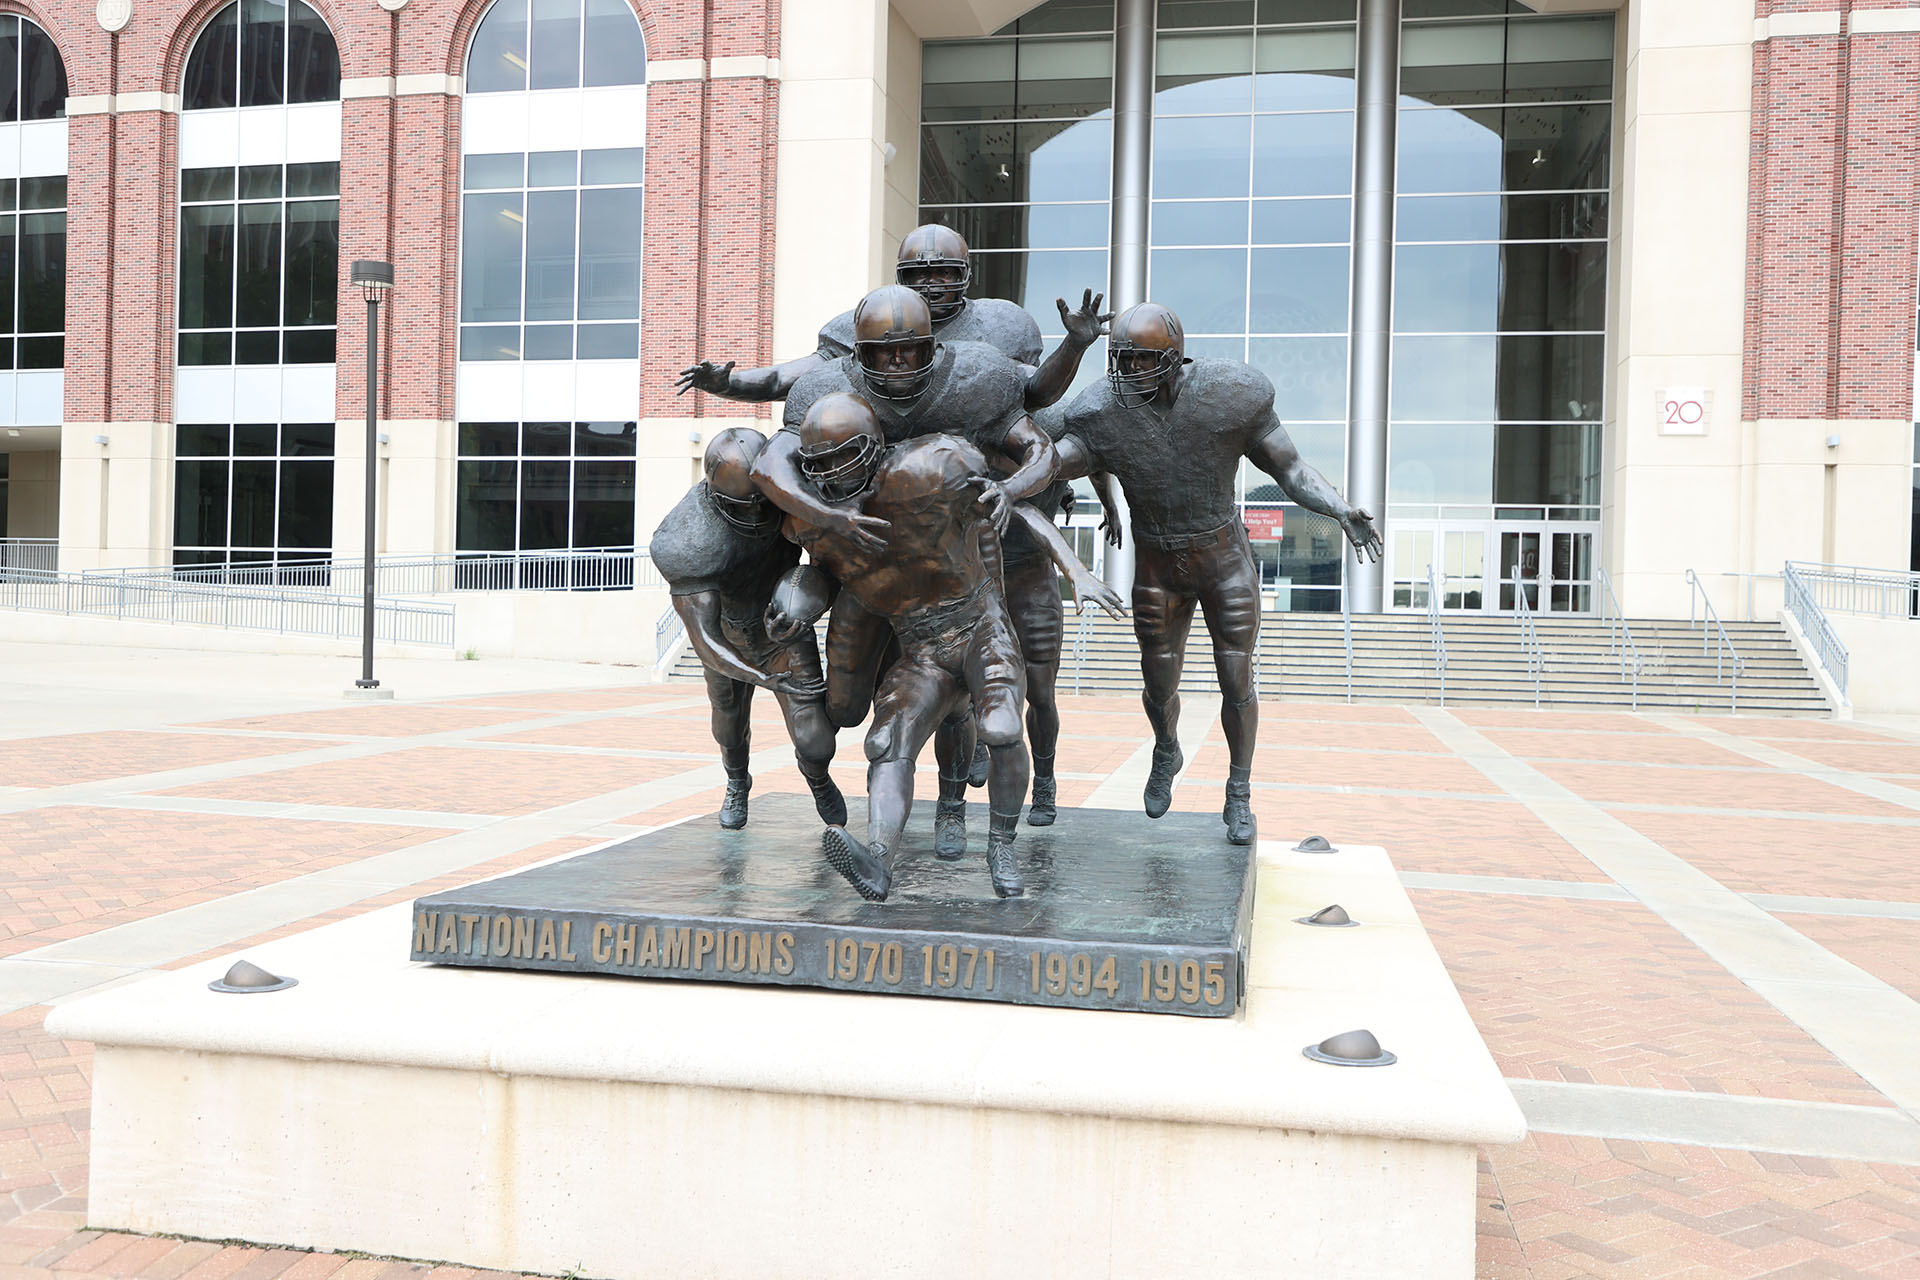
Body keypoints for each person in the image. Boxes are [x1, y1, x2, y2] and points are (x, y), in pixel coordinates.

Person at [769, 393, 1121, 902]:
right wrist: (796, 601)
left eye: (838, 458)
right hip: (919, 645)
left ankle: (1001, 843)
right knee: (884, 743)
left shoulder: (932, 467)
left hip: (979, 624)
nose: (828, 474)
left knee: (1000, 725)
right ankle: (877, 858)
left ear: (871, 448)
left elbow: (1014, 508)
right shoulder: (814, 519)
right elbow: (826, 574)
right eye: (817, 465)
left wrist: (1076, 569)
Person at [1053, 303, 1383, 846]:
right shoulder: (1103, 411)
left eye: (1143, 361)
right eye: (1123, 361)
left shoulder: (1231, 393)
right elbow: (1062, 458)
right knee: (1158, 683)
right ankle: (1166, 746)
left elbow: (1291, 468)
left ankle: (1238, 791)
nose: (1132, 372)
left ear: (1174, 357)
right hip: (1158, 560)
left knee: (1236, 679)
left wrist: (1341, 508)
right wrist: (1008, 483)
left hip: (1223, 557)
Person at [674, 224, 1108, 415]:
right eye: (919, 274)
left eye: (943, 273)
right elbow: (784, 380)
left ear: (965, 277)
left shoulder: (1001, 324)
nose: (931, 284)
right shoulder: (866, 325)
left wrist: (1073, 346)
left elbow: (1035, 396)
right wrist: (728, 383)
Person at [647, 429, 847, 832]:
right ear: (714, 494)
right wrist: (762, 678)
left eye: (764, 504)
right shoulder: (686, 540)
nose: (758, 516)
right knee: (729, 723)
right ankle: (737, 780)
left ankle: (818, 776)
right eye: (745, 506)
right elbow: (704, 641)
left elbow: (835, 563)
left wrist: (811, 598)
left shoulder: (791, 488)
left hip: (781, 625)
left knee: (814, 738)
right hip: (728, 634)